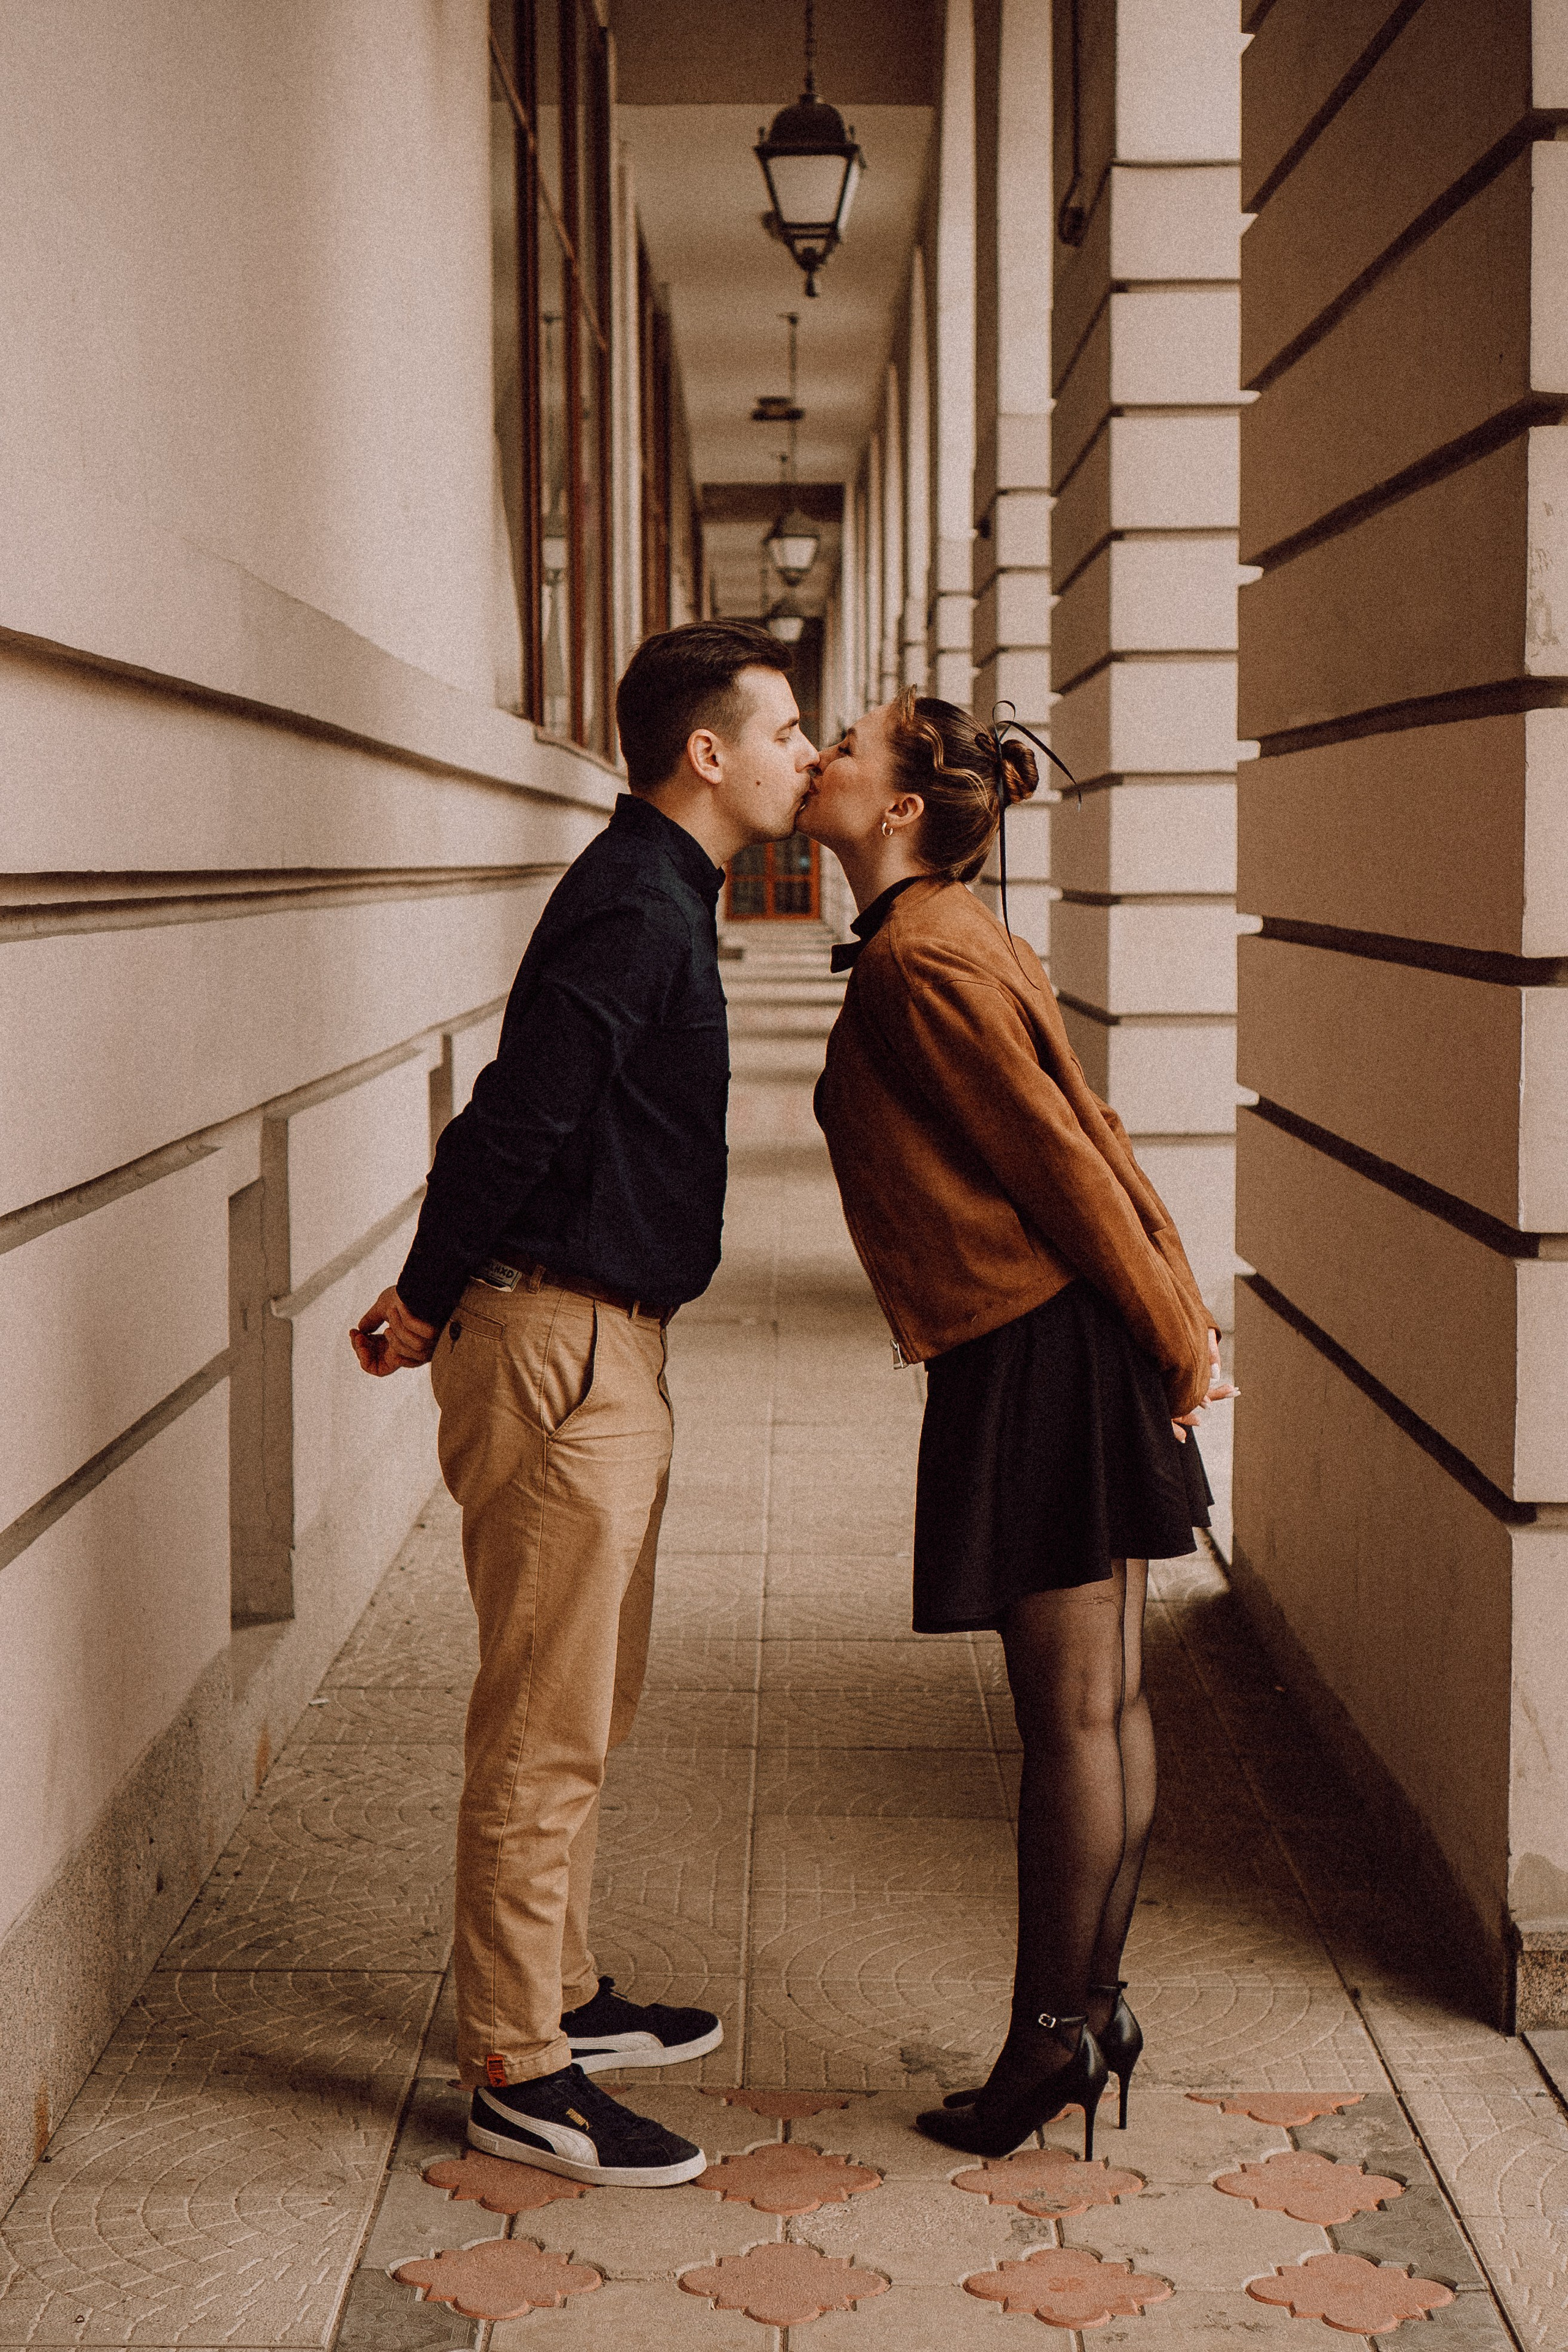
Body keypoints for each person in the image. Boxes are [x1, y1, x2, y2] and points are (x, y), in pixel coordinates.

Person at [351, 620, 816, 2187]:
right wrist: (425, 1298)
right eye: (785, 731)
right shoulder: (634, 903)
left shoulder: (661, 889)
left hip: (606, 1339)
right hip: (557, 1342)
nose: (802, 756)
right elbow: (518, 1110)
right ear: (709, 753)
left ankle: (553, 1994)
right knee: (543, 1725)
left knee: (586, 1701)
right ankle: (516, 2069)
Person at [799, 690, 1232, 2163]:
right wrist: (1172, 1309)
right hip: (1051, 1340)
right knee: (1098, 1704)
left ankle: (1054, 2032)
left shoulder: (918, 956)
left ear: (902, 807)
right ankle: (1084, 2010)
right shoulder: (949, 936)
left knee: (1068, 1717)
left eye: (842, 747)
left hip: (1037, 1348)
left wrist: (1175, 1331)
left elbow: (1062, 1159)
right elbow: (1089, 1131)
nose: (818, 759)